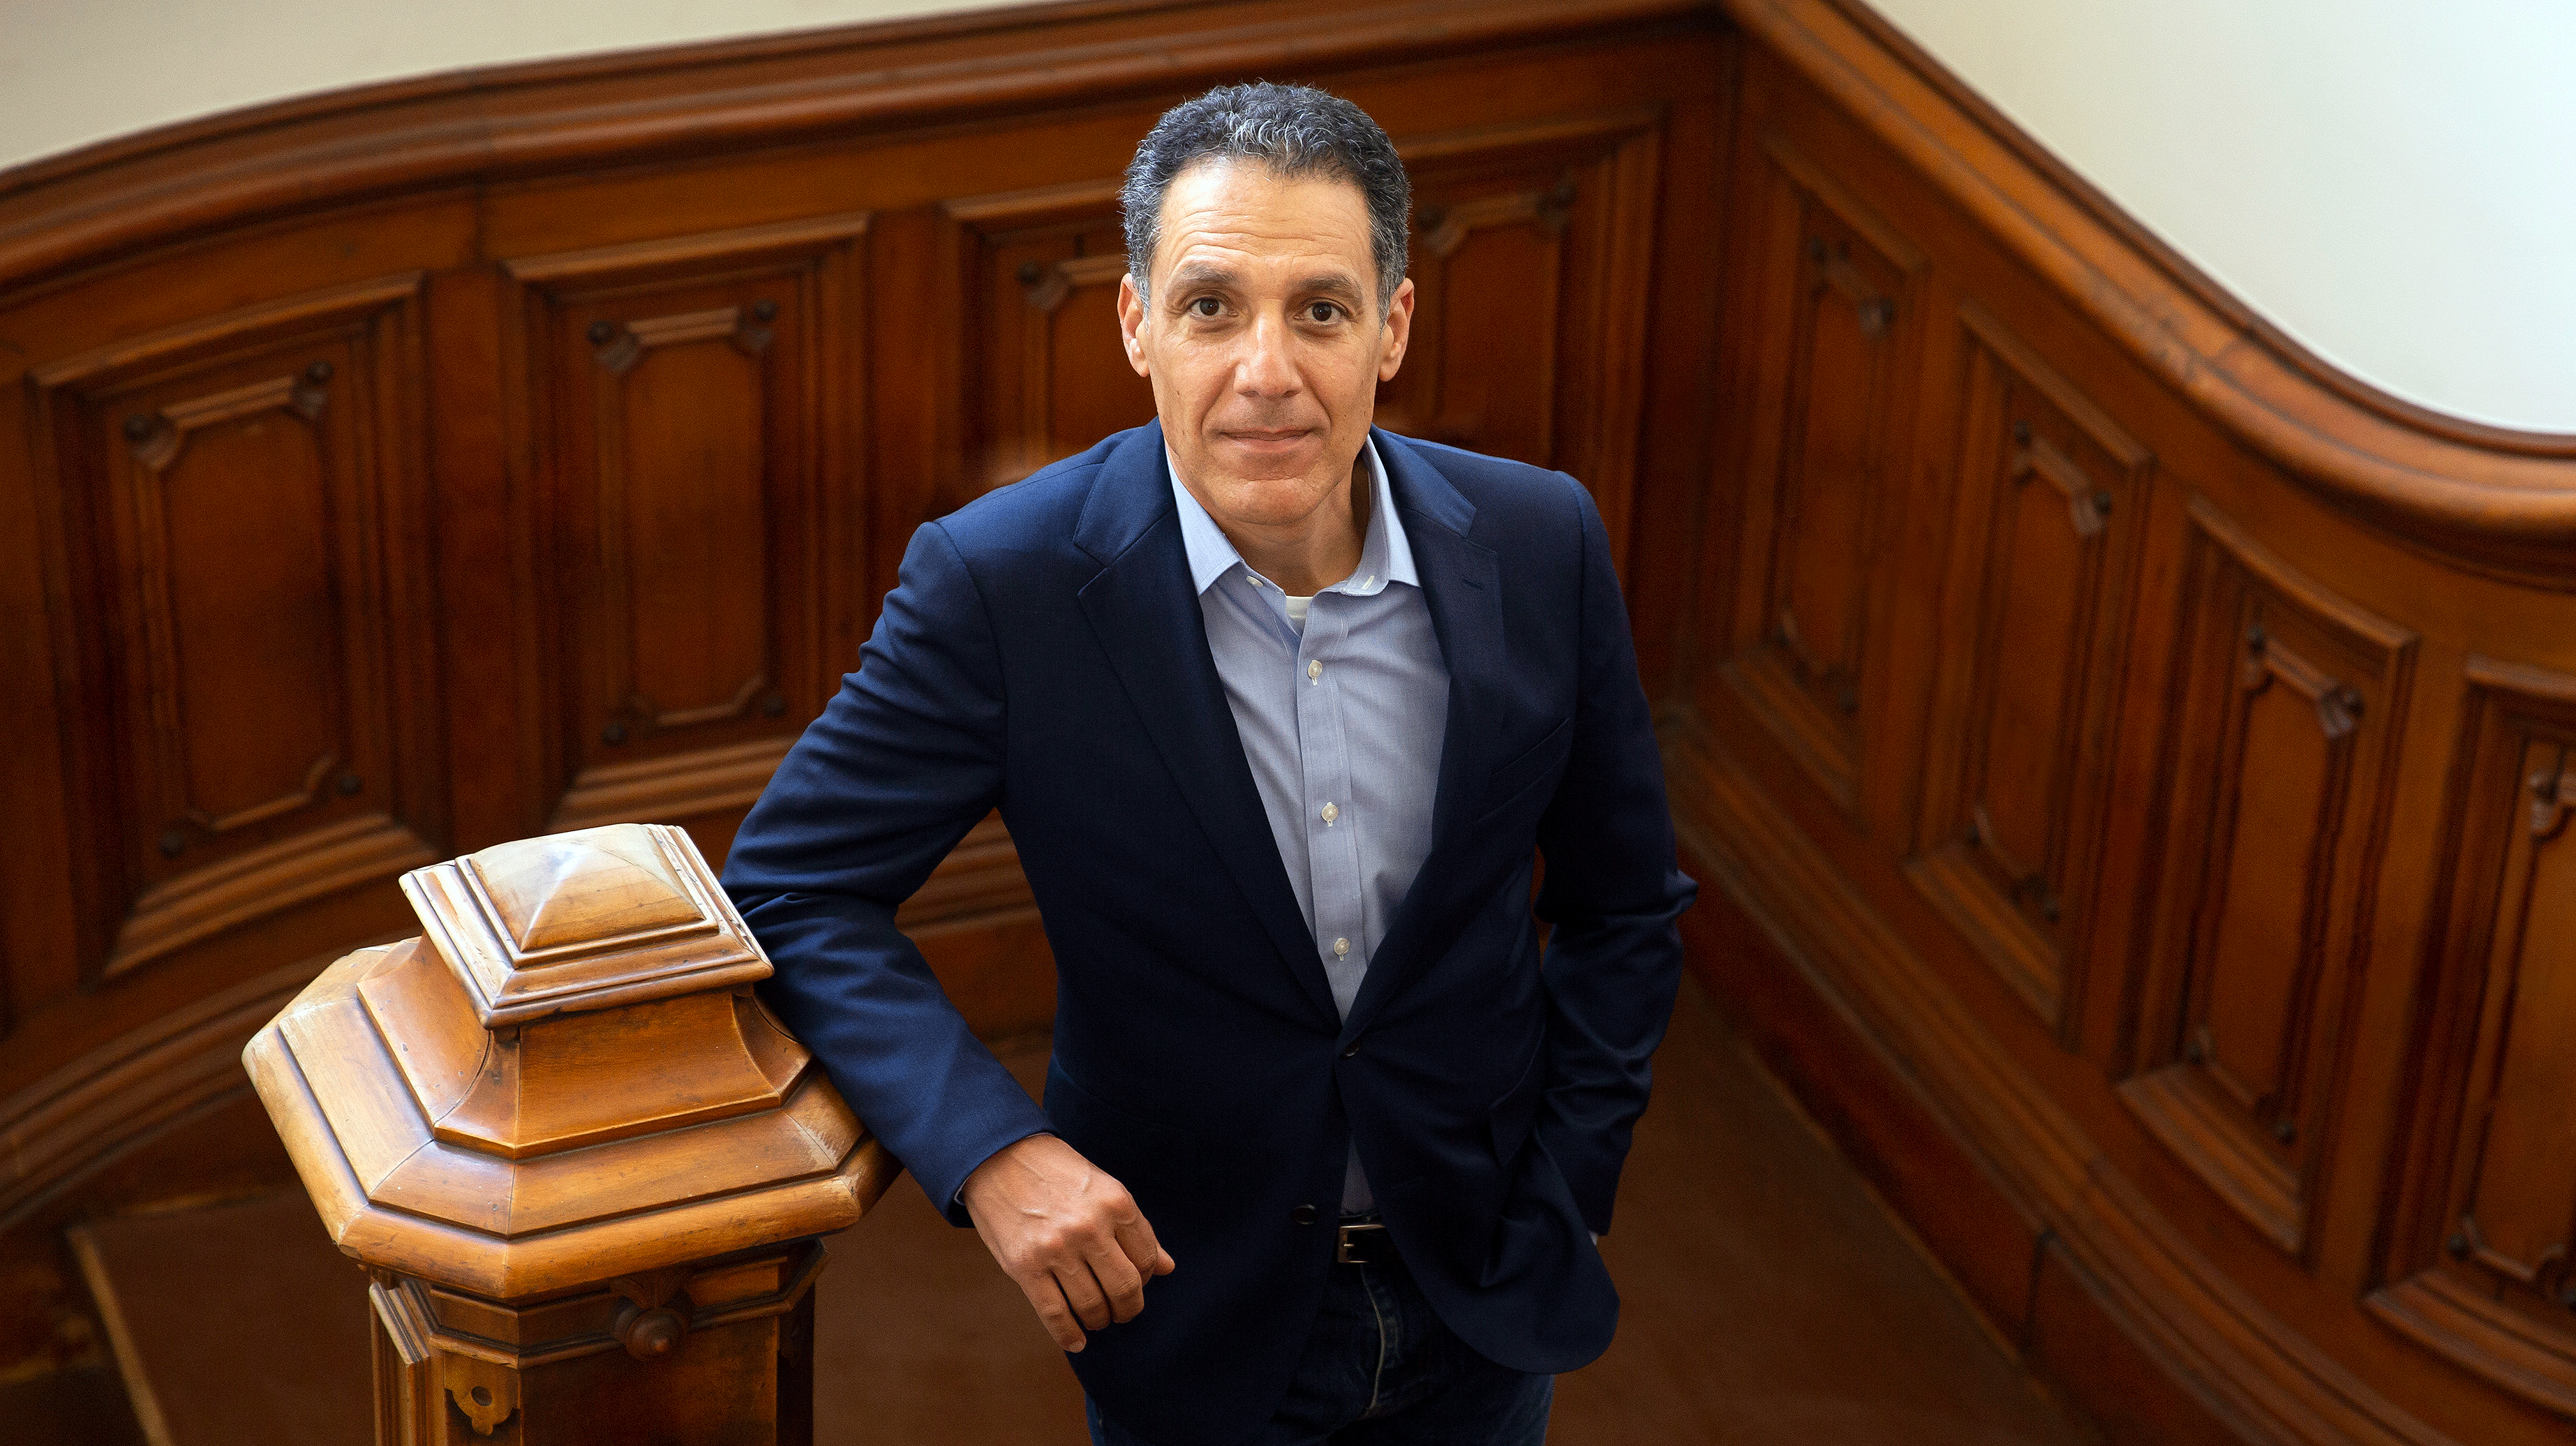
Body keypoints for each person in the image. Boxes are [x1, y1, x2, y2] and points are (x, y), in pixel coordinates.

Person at [722, 80, 1694, 1446]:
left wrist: (1565, 1187)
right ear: (1136, 324)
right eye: (1211, 306)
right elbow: (790, 889)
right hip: (1191, 1319)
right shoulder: (999, 586)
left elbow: (1624, 905)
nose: (1266, 371)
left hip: (1483, 1302)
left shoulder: (1540, 544)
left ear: (1393, 327)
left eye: (1322, 308)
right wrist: (994, 1153)